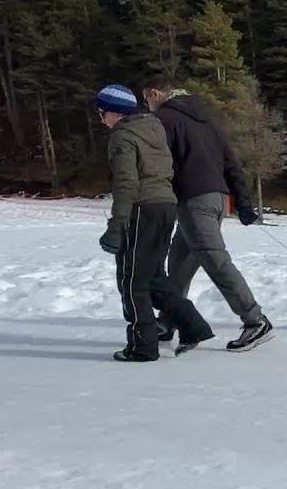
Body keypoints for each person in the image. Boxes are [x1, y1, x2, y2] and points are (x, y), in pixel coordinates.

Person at [140, 76, 274, 352]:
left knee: (215, 260)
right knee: (180, 262)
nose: (147, 106)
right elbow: (231, 164)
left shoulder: (164, 119)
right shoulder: (206, 120)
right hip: (217, 199)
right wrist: (243, 203)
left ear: (155, 93)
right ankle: (169, 320)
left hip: (193, 200)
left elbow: (158, 164)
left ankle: (255, 320)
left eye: (146, 100)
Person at [94, 84, 212, 362]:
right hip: (165, 207)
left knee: (132, 280)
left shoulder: (123, 136)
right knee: (154, 277)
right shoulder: (154, 128)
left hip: (141, 210)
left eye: (101, 113)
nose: (101, 119)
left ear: (113, 112)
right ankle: (193, 325)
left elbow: (126, 183)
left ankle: (142, 346)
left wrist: (116, 223)